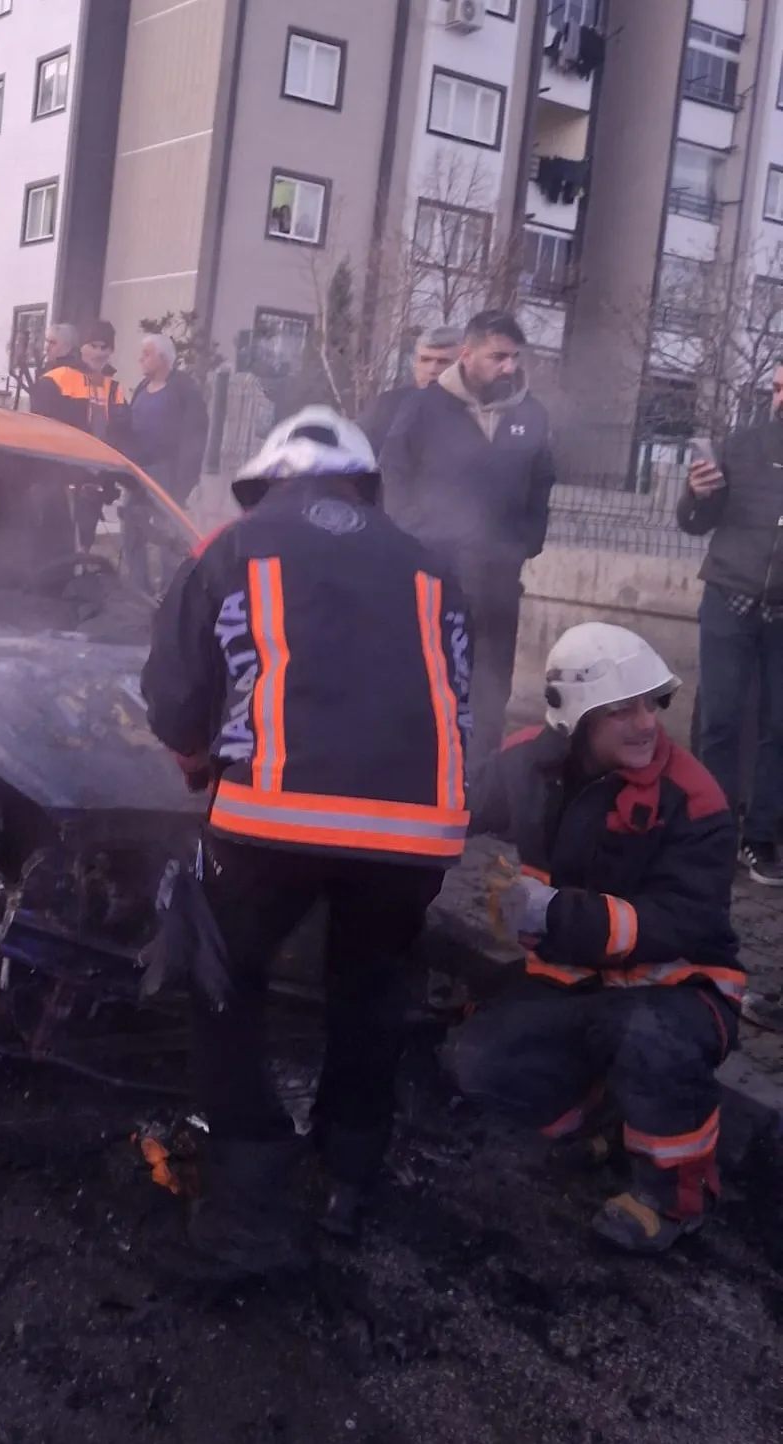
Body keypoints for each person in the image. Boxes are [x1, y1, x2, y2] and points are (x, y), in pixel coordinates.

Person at [141, 406, 472, 1274]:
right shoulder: (434, 566)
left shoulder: (234, 547)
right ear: (366, 486)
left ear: (269, 483)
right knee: (371, 994)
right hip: (417, 834)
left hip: (271, 822)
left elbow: (174, 692)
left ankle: (247, 1207)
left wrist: (196, 753)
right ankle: (347, 1184)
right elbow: (457, 698)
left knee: (225, 982)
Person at [445, 623, 742, 1255]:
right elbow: (459, 806)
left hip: (678, 994)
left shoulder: (693, 798)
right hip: (572, 982)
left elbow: (679, 923)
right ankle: (601, 1119)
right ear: (574, 719)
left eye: (649, 704)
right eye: (620, 711)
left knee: (650, 1042)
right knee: (477, 1065)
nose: (645, 724)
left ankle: (675, 1198)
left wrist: (556, 915)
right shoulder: (529, 762)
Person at [379, 309, 555, 772]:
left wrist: (525, 543)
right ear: (468, 354)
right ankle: (416, 774)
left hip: (499, 580)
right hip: (433, 574)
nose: (508, 367)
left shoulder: (530, 414)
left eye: (514, 357)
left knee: (490, 685)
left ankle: (478, 783)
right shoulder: (423, 408)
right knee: (425, 676)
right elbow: (393, 479)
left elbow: (541, 485)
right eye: (498, 356)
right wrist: (422, 535)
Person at [677, 365, 783, 884]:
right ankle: (714, 829)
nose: (780, 398)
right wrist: (697, 493)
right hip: (728, 599)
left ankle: (760, 838)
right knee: (719, 721)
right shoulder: (743, 444)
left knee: (779, 726)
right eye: (778, 387)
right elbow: (696, 522)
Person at [29, 319, 133, 549]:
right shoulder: (57, 378)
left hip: (93, 487)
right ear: (82, 347)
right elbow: (40, 433)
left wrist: (111, 477)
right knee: (54, 544)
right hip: (58, 484)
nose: (98, 353)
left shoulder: (113, 388)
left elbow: (121, 436)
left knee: (83, 544)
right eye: (93, 346)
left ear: (111, 350)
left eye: (104, 347)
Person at [124, 332, 209, 586]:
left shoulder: (184, 389)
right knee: (131, 530)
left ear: (162, 358)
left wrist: (184, 482)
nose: (141, 359)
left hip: (166, 471)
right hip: (137, 471)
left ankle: (169, 592)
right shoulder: (141, 388)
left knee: (166, 535)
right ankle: (139, 589)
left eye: (146, 354)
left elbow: (195, 435)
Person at [357, 324, 463, 454]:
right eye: (425, 360)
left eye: (443, 362)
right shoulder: (386, 406)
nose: (432, 369)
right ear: (414, 363)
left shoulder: (477, 411)